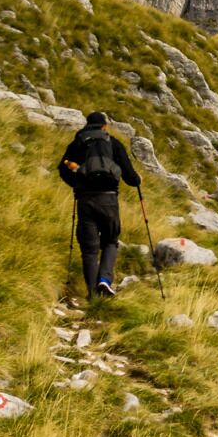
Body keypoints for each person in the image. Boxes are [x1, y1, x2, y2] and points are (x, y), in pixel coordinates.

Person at [59, 110, 141, 298]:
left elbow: (62, 169)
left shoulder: (78, 143)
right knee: (111, 241)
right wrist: (138, 180)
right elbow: (130, 176)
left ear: (87, 126)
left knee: (89, 249)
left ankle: (93, 295)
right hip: (109, 199)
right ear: (104, 126)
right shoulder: (113, 143)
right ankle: (104, 280)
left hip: (85, 200)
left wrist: (77, 183)